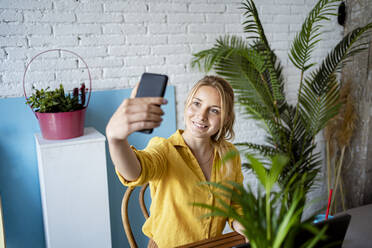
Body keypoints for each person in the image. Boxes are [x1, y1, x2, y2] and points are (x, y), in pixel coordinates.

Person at [106, 75, 246, 248]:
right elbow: (136, 172)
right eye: (197, 103)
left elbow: (235, 202)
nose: (201, 115)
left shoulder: (230, 155)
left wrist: (244, 226)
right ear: (187, 104)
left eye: (214, 110)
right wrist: (116, 140)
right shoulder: (164, 149)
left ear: (225, 118)